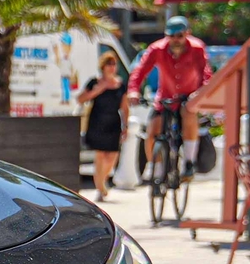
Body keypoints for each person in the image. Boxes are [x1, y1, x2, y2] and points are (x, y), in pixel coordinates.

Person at [128, 15, 213, 171]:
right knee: (152, 130)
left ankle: (188, 161)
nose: (175, 40)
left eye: (179, 36)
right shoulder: (157, 49)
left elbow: (205, 74)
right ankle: (156, 169)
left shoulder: (197, 48)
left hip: (188, 96)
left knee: (189, 113)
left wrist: (201, 93)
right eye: (171, 36)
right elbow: (139, 71)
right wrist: (134, 91)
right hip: (165, 97)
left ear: (187, 33)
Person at [81, 54, 126, 200]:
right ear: (103, 66)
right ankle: (100, 187)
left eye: (114, 64)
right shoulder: (94, 82)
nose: (112, 67)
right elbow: (81, 98)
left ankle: (102, 181)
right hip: (97, 121)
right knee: (100, 155)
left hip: (114, 122)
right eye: (109, 64)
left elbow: (125, 107)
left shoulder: (121, 85)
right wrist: (97, 90)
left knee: (112, 156)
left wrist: (126, 126)